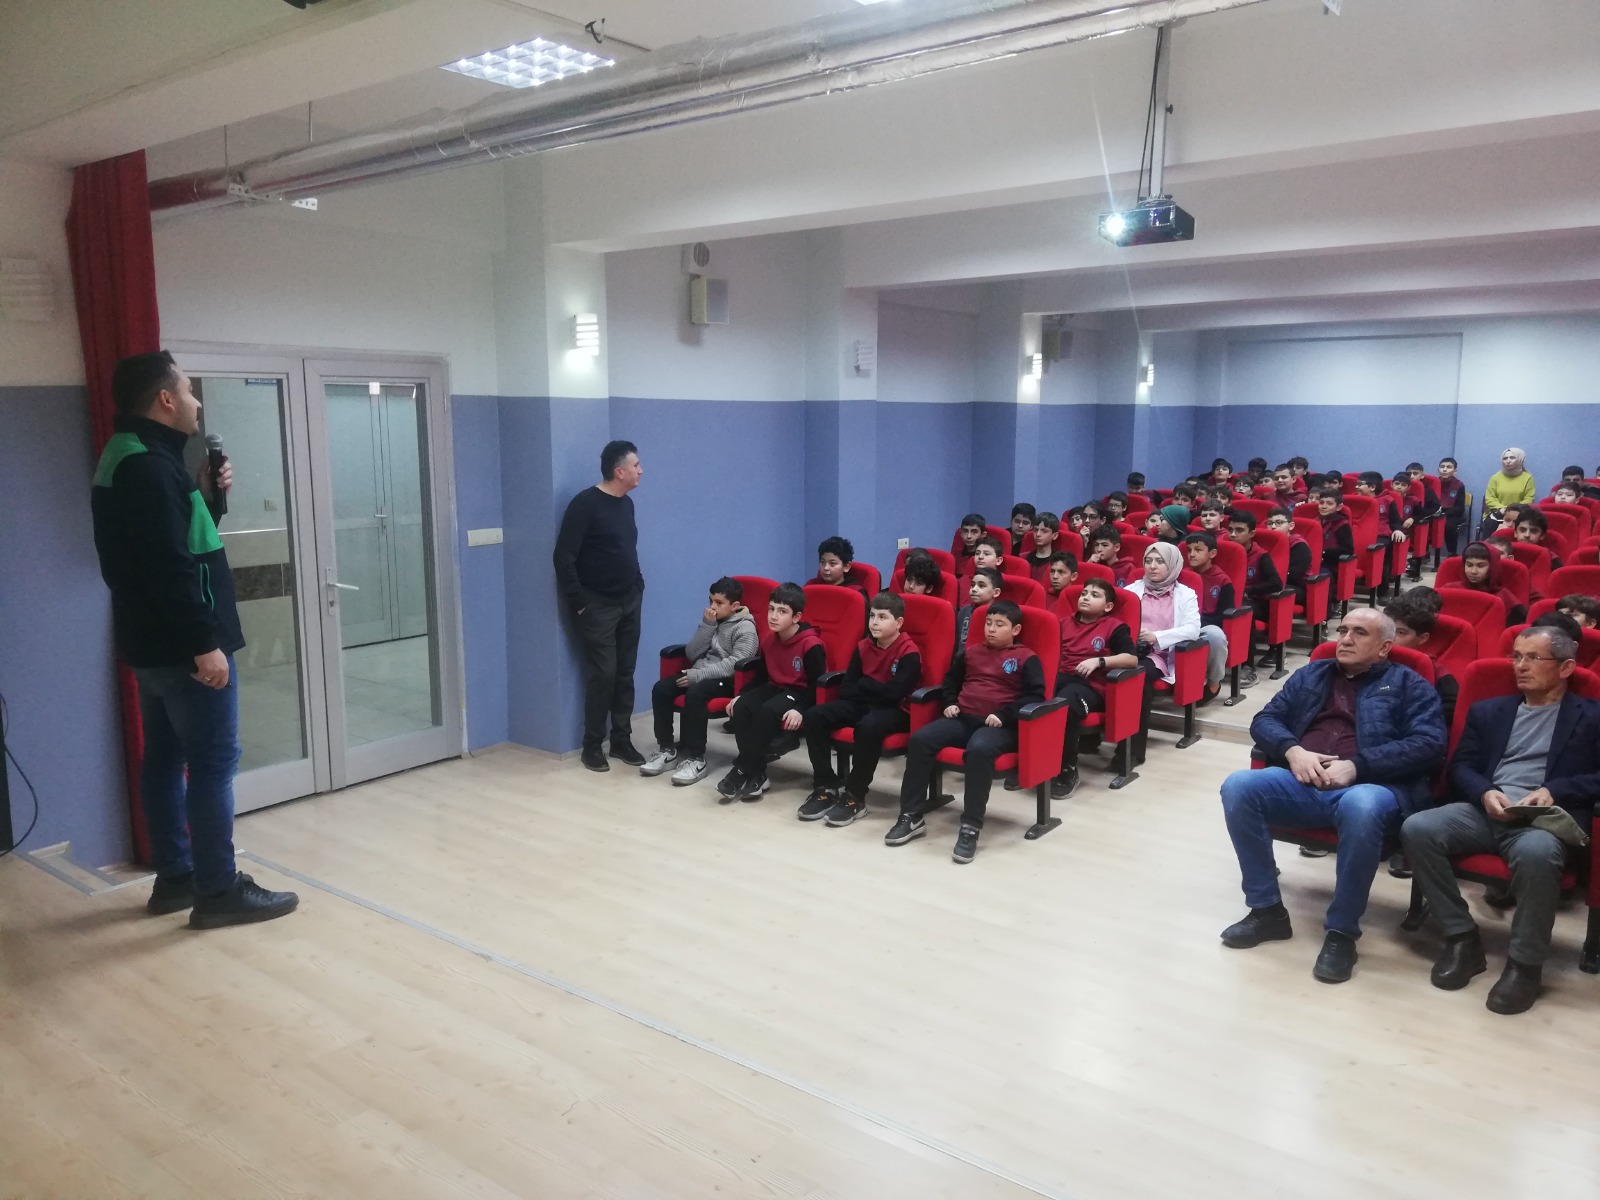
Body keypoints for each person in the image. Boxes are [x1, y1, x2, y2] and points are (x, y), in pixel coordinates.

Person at [91, 350, 299, 928]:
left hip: (151, 644)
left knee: (164, 759)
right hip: (183, 648)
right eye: (187, 390)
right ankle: (217, 890)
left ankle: (177, 878)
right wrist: (204, 643)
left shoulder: (129, 456)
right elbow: (170, 567)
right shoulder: (150, 468)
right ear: (165, 399)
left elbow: (168, 542)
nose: (196, 402)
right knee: (211, 765)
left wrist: (205, 495)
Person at [1218, 609, 1447, 983]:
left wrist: (1358, 766)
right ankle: (1266, 911)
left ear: (1385, 647)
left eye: (1359, 632)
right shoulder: (1311, 674)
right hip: (1303, 780)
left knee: (1362, 805)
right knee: (1239, 785)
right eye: (1342, 630)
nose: (1345, 639)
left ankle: (1342, 932)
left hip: (1371, 788)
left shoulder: (1410, 684)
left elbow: (1429, 744)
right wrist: (1293, 751)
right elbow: (1265, 719)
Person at [1401, 625, 1600, 1014]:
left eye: (1533, 658)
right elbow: (1461, 766)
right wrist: (1484, 792)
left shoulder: (1592, 717)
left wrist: (1556, 789)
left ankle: (1525, 965)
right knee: (1418, 828)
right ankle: (1461, 937)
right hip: (1486, 810)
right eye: (1517, 656)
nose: (1520, 666)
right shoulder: (1489, 711)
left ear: (1566, 667)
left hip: (1542, 821)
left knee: (1538, 854)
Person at [887, 599, 1045, 864]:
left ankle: (970, 827)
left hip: (1000, 725)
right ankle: (911, 816)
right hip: (963, 718)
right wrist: (949, 702)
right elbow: (951, 682)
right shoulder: (971, 653)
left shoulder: (1026, 658)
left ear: (1015, 630)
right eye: (988, 623)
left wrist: (1004, 714)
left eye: (1000, 624)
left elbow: (1035, 696)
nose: (991, 629)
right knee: (921, 740)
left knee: (979, 750)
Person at [554, 439, 646, 772]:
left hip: (629, 599)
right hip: (597, 605)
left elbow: (627, 549)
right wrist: (579, 603)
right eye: (636, 465)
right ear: (619, 471)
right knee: (603, 674)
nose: (641, 470)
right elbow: (563, 557)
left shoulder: (627, 504)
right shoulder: (585, 504)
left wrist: (638, 583)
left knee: (625, 672)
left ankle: (621, 740)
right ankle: (592, 745)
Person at [799, 592, 921, 826]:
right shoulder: (863, 646)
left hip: (897, 711)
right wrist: (873, 688)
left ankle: (855, 796)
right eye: (872, 616)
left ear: (898, 623)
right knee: (815, 716)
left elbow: (895, 695)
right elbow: (847, 688)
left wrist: (865, 684)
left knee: (868, 727)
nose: (874, 622)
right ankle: (826, 785)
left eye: (882, 617)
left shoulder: (909, 652)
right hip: (863, 704)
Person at [642, 576, 759, 786]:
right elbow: (692, 653)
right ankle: (666, 750)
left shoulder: (746, 628)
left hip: (727, 681)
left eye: (719, 603)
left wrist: (698, 676)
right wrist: (707, 626)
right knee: (661, 689)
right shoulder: (712, 621)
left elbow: (735, 665)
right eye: (711, 601)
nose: (712, 607)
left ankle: (696, 759)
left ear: (735, 606)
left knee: (695, 693)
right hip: (700, 672)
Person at [718, 583, 826, 801]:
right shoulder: (769, 639)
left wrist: (800, 710)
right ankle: (757, 774)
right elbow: (761, 676)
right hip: (775, 687)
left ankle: (741, 768)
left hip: (799, 692)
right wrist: (741, 695)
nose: (774, 616)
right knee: (742, 706)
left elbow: (818, 685)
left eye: (782, 611)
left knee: (767, 711)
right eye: (771, 609)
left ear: (796, 617)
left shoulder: (811, 644)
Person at [1051, 578, 1139, 798]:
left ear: (1108, 607)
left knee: (1065, 703)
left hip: (1091, 686)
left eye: (1094, 595)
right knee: (1030, 696)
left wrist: (1099, 661)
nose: (1086, 597)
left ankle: (1067, 769)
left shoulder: (1114, 627)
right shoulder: (1061, 624)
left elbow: (1131, 660)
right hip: (1060, 679)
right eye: (1084, 593)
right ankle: (1032, 763)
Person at [1126, 542, 1202, 760]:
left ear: (1173, 565)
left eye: (1160, 561)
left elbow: (1193, 629)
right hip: (1130, 649)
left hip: (1161, 655)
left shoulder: (1185, 594)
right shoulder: (1130, 591)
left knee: (1136, 677)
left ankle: (1132, 752)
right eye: (1148, 561)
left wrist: (1156, 637)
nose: (1152, 566)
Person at [1384, 587, 1459, 729]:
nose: (1390, 638)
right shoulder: (1367, 659)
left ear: (1422, 638)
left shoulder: (1435, 671)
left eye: (1401, 633)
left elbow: (1451, 709)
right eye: (1387, 630)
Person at [1228, 511, 1281, 686]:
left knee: (1244, 611)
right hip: (1231, 599)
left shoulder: (1261, 555)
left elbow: (1276, 583)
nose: (1233, 534)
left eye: (1239, 530)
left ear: (1251, 533)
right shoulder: (1225, 552)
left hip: (1258, 602)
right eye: (1230, 530)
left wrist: (1249, 591)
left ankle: (1248, 666)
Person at [1183, 531, 1234, 704]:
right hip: (1181, 624)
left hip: (1205, 626)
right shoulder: (1182, 576)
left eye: (1198, 550)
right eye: (1189, 550)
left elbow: (1224, 614)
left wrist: (1196, 624)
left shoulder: (1222, 580)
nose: (1192, 554)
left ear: (1212, 553)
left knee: (1216, 636)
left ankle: (1213, 682)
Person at [1459, 541, 1526, 625]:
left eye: (1480, 566)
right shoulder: (1451, 589)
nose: (1473, 571)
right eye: (1469, 565)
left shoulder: (1503, 596)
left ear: (1492, 567)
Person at [1481, 447, 1536, 538]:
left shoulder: (1528, 478)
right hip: (1497, 512)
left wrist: (1512, 510)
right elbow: (1489, 499)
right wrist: (1503, 509)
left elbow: (1529, 499)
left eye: (1512, 458)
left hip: (1519, 514)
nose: (1508, 461)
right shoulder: (1495, 478)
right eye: (1505, 458)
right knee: (1491, 526)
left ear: (1519, 459)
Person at [1265, 508, 1313, 606]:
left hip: (1297, 587)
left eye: (1278, 523)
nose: (1273, 527)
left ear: (1291, 526)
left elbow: (1293, 576)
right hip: (1273, 583)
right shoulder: (1265, 544)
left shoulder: (1299, 545)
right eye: (1270, 523)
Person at [809, 535, 870, 600]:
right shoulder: (811, 586)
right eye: (822, 562)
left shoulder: (855, 592)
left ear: (846, 566)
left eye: (832, 563)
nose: (826, 568)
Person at [957, 567, 1004, 648]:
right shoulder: (964, 611)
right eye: (972, 585)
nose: (974, 589)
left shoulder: (1000, 615)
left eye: (981, 586)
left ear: (996, 592)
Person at [1315, 487, 1354, 576]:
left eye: (1329, 504)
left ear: (1338, 507)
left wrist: (1323, 553)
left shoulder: (1342, 524)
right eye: (1321, 503)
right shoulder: (1315, 521)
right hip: (1313, 562)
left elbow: (1347, 551)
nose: (1324, 506)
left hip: (1330, 566)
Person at [1436, 457, 1468, 555]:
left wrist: (1444, 513)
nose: (1445, 469)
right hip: (1435, 513)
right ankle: (1424, 553)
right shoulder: (1434, 483)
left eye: (1449, 467)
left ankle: (1452, 553)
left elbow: (1460, 508)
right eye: (1442, 467)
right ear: (1438, 470)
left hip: (1452, 515)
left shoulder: (1459, 485)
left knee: (1448, 526)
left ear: (1455, 471)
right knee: (1423, 523)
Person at [1026, 511, 1062, 585]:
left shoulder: (1059, 562)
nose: (1038, 534)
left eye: (1044, 531)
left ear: (1054, 535)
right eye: (1035, 530)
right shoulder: (1024, 558)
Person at [954, 513, 987, 583]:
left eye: (974, 532)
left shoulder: (984, 558)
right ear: (961, 534)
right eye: (965, 531)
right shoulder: (956, 555)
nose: (969, 536)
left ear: (983, 535)